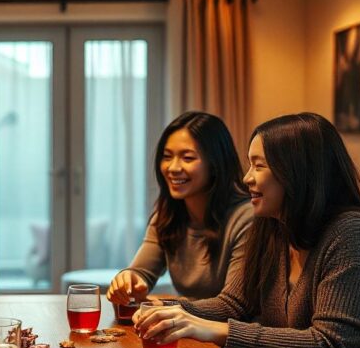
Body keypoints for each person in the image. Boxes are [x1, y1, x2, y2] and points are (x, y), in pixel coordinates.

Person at [133, 112, 360, 348]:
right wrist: (168, 311)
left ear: (296, 172)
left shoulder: (353, 234)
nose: (247, 178)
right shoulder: (271, 225)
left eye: (259, 166)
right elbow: (233, 305)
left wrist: (214, 330)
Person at [107, 111, 252, 303]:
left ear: (215, 163)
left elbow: (233, 305)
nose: (173, 167)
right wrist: (129, 281)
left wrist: (170, 306)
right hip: (188, 327)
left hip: (231, 331)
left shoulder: (246, 218)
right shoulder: (168, 215)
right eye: (167, 157)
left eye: (188, 158)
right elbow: (141, 273)